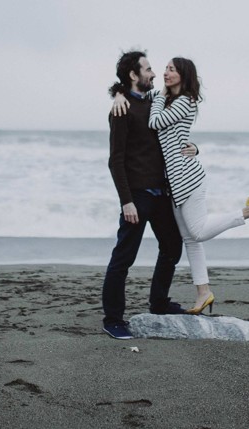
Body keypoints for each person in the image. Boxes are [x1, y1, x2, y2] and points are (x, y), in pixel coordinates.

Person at [115, 56, 249, 315]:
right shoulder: (166, 99)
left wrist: (160, 97)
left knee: (199, 232)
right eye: (165, 69)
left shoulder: (185, 101)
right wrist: (117, 94)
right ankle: (204, 293)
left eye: (171, 69)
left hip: (187, 179)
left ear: (183, 75)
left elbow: (155, 122)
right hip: (174, 182)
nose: (165, 73)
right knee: (190, 240)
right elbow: (136, 95)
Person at [101, 50, 195, 340]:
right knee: (123, 257)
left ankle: (159, 303)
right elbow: (115, 160)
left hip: (161, 193)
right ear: (134, 75)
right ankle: (113, 319)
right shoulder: (121, 109)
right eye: (148, 69)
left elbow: (174, 133)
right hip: (137, 196)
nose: (154, 74)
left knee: (172, 247)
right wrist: (126, 201)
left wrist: (195, 147)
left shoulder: (155, 102)